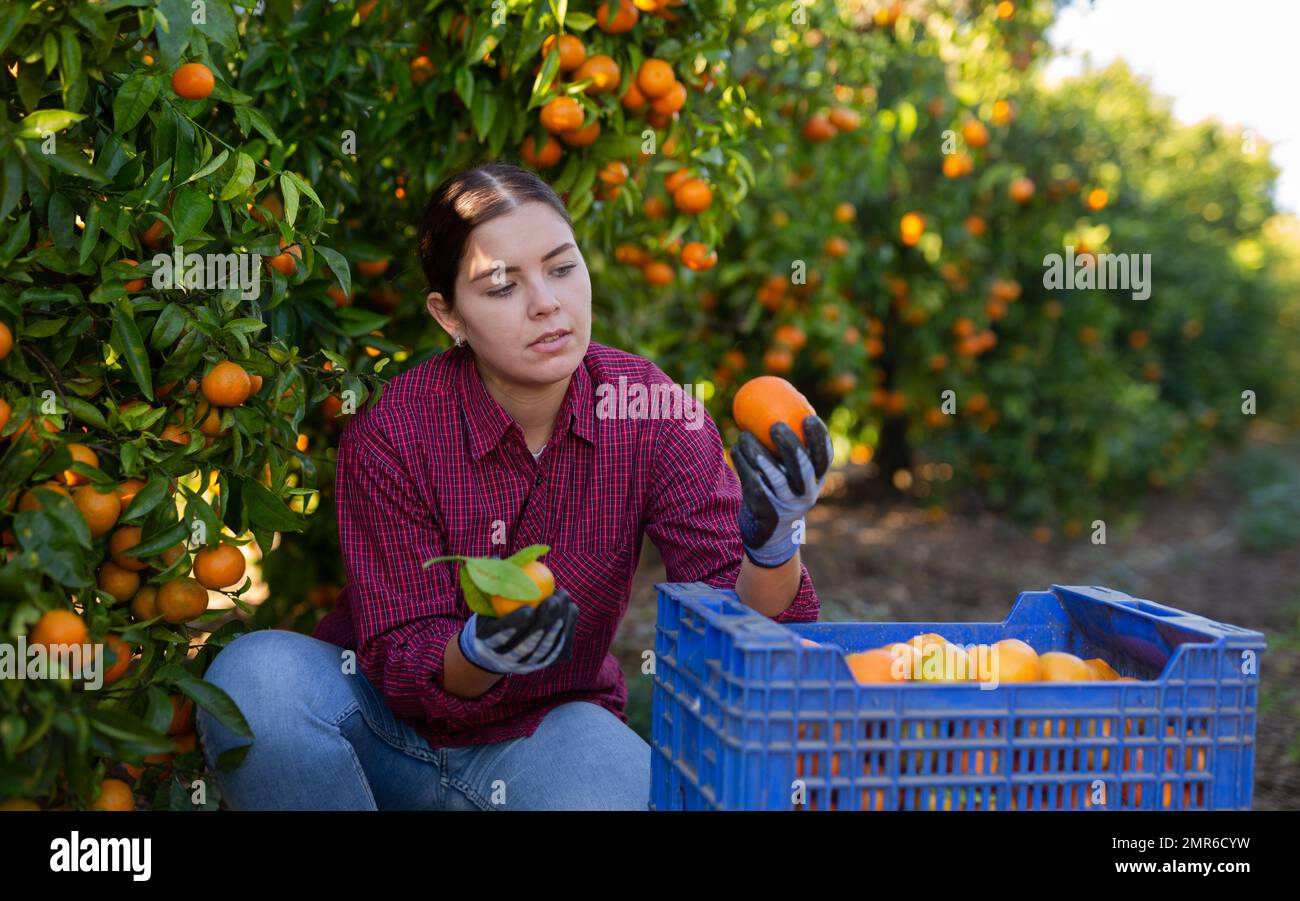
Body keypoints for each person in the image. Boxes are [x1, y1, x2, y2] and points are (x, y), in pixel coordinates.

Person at [196, 162, 833, 810]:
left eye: (561, 267)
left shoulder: (648, 410)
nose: (546, 303)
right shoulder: (393, 433)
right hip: (376, 727)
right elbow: (404, 658)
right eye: (502, 285)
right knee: (256, 682)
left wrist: (774, 543)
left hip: (549, 734)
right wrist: (481, 651)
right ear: (449, 315)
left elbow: (743, 627)